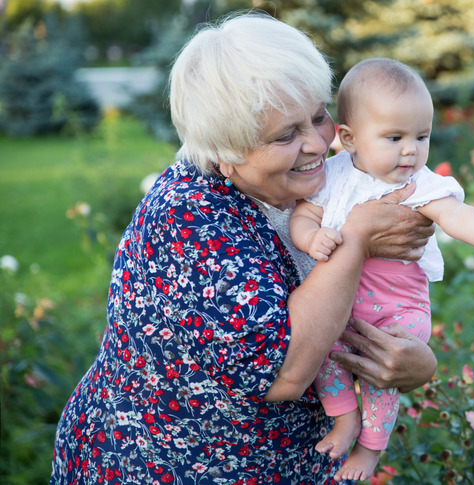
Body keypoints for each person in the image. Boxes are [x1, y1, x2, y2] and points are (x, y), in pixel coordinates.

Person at [50, 14, 438, 485]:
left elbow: (366, 307)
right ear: (225, 149)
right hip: (166, 467)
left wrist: (413, 360)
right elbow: (286, 373)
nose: (319, 142)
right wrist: (355, 240)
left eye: (319, 115)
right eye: (285, 135)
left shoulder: (309, 184)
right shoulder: (189, 220)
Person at [290, 58, 474, 482]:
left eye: (421, 136)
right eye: (394, 137)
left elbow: (455, 213)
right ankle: (344, 420)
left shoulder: (420, 183)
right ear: (348, 138)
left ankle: (371, 449)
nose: (411, 150)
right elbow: (303, 216)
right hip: (341, 305)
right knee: (326, 357)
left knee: (382, 374)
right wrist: (311, 237)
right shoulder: (331, 175)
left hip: (398, 307)